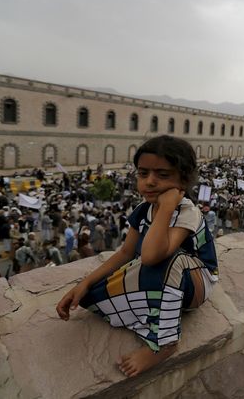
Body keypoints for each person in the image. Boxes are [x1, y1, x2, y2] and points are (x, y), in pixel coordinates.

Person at [56, 135, 219, 377]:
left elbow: (153, 256)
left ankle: (164, 344)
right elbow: (125, 253)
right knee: (96, 292)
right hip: (166, 280)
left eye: (162, 175)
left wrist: (166, 207)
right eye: (143, 174)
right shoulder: (143, 210)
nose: (150, 182)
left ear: (182, 181)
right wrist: (85, 284)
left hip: (195, 282)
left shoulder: (187, 212)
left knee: (168, 262)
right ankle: (147, 314)